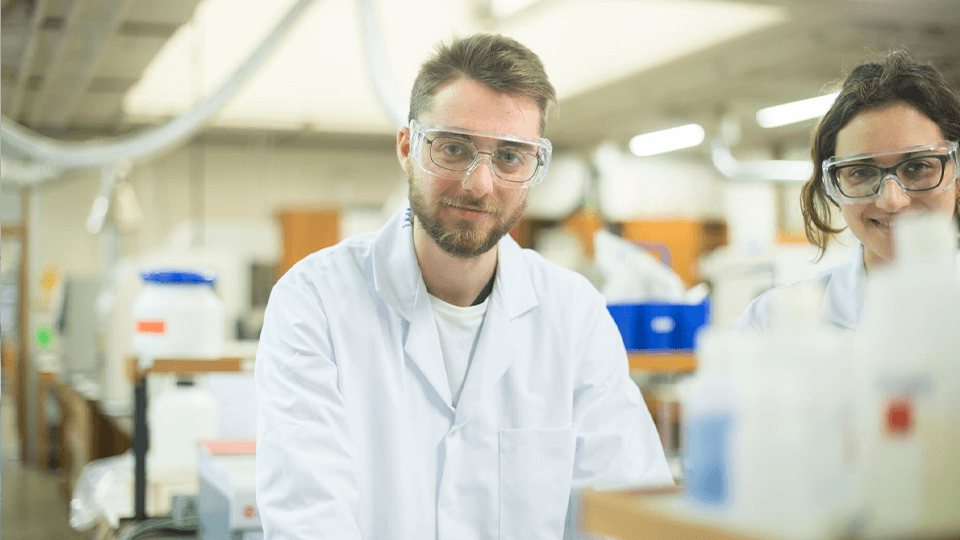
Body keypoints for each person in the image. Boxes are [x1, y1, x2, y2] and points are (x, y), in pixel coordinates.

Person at [255, 33, 672, 539]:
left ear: (534, 166)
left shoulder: (573, 314)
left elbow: (626, 511)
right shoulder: (315, 300)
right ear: (409, 148)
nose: (480, 183)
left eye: (510, 157)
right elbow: (309, 515)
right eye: (454, 148)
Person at [736, 50, 960, 332]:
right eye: (862, 173)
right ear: (834, 187)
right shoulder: (767, 325)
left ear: (957, 173)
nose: (892, 199)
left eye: (916, 167)